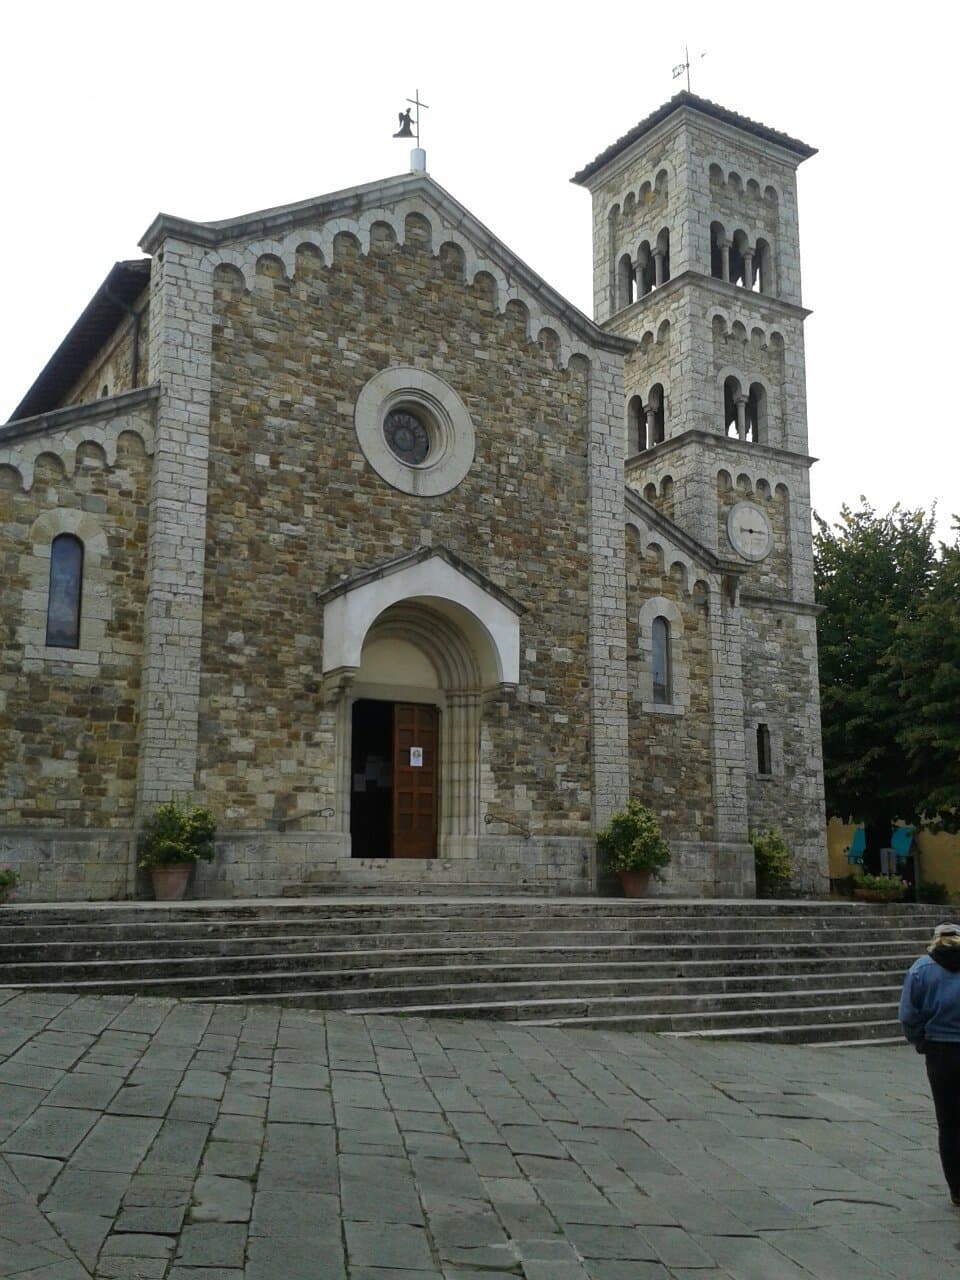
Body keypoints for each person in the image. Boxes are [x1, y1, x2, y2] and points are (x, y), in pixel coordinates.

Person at [899, 922, 960, 1206]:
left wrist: (921, 1040)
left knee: (949, 1123)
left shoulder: (921, 968)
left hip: (940, 1052)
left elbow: (908, 1015)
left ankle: (957, 1189)